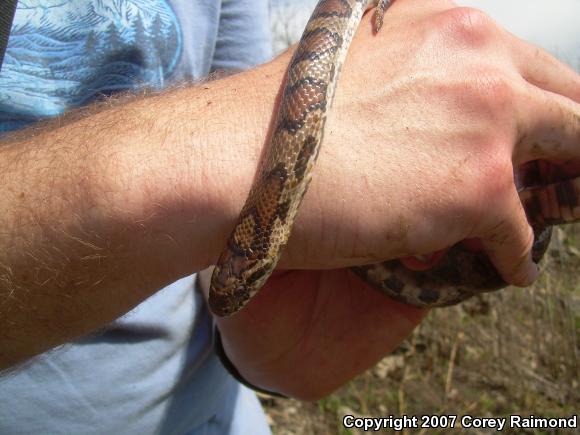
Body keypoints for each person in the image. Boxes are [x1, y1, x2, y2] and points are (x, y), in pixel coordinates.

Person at [0, 0, 578, 433]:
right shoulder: (263, 218)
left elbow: (257, 126)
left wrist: (269, 349)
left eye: (245, 272)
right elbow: (249, 148)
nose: (239, 281)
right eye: (246, 273)